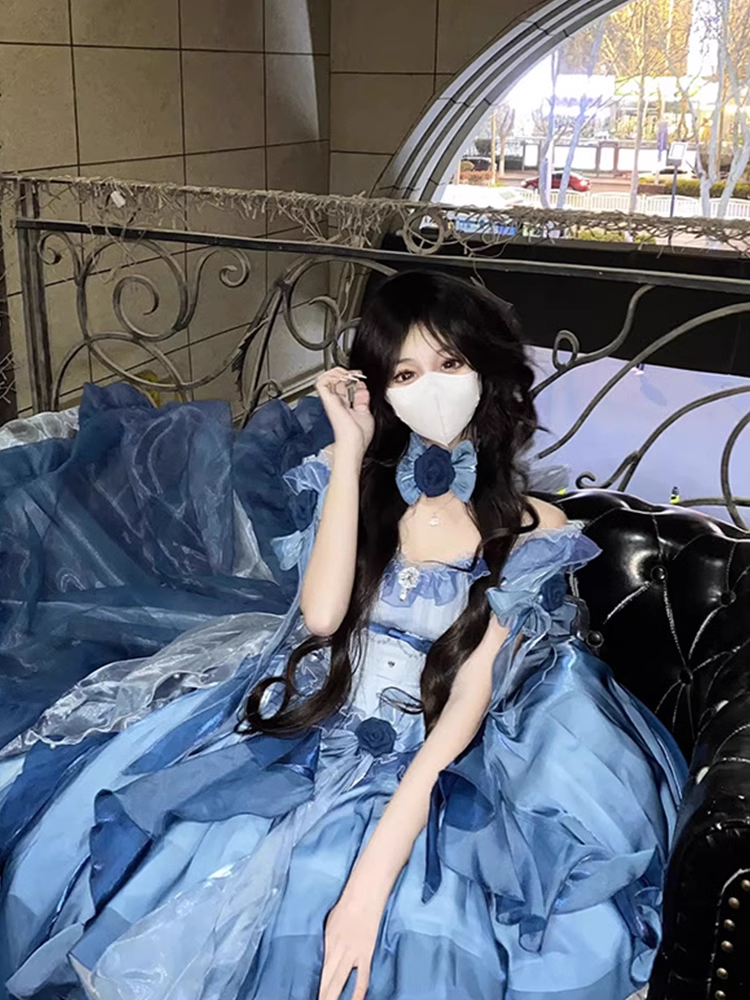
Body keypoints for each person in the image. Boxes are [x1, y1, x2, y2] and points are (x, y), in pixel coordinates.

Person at [0, 271, 686, 1000]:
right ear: (381, 387)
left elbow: (465, 708)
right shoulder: (349, 478)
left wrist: (369, 882)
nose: (433, 388)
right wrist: (352, 452)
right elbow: (324, 618)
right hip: (323, 705)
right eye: (406, 373)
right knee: (182, 836)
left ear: (487, 368)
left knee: (401, 909)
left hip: (445, 750)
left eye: (451, 363)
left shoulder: (534, 529)